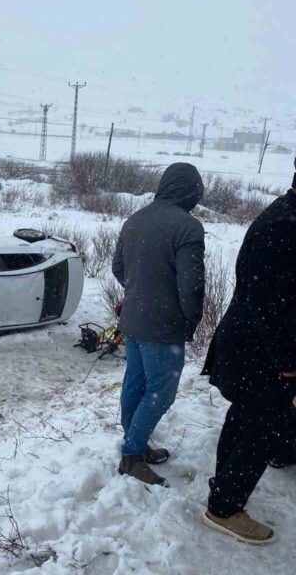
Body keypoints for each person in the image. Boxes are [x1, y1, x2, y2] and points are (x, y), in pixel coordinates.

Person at [201, 163, 296, 544]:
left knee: (247, 419)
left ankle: (224, 489)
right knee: (259, 428)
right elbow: (273, 306)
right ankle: (224, 507)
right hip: (261, 353)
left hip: (256, 348)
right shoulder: (285, 226)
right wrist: (289, 366)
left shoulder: (286, 216)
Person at [112, 163, 205, 486]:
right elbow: (191, 286)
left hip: (134, 321)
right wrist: (189, 319)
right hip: (164, 326)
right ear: (192, 191)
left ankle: (134, 443)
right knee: (160, 393)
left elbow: (118, 268)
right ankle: (133, 454)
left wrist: (140, 292)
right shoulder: (188, 227)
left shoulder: (135, 220)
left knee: (135, 385)